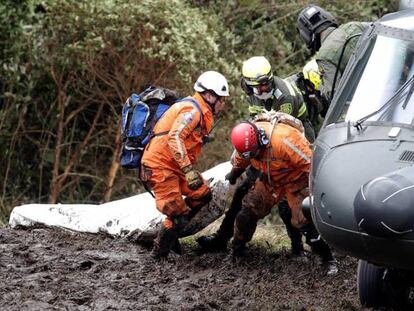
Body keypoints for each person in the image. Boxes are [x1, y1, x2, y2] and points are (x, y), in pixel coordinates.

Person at [197, 56, 314, 257]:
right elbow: (255, 120)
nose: (261, 91)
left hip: (290, 142)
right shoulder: (250, 91)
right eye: (256, 87)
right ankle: (223, 237)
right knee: (242, 192)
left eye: (265, 86)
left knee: (288, 202)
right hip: (264, 139)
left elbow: (284, 134)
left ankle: (298, 248)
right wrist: (238, 161)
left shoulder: (284, 98)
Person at [227, 117, 337, 275]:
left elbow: (313, 165)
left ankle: (327, 259)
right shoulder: (245, 148)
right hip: (270, 180)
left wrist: (322, 189)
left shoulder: (285, 140)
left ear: (260, 140)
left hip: (295, 181)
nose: (254, 156)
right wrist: (234, 174)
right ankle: (237, 251)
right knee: (247, 212)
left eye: (255, 152)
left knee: (302, 220)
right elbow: (241, 161)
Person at [140, 71, 230, 259]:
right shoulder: (192, 111)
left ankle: (171, 234)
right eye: (221, 99)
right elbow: (175, 137)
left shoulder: (200, 111)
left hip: (175, 166)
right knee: (178, 214)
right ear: (210, 95)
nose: (223, 103)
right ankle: (158, 255)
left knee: (202, 194)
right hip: (160, 167)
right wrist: (188, 170)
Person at [297, 4, 368, 116]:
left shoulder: (324, 56)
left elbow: (335, 98)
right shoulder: (354, 26)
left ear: (306, 34)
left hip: (367, 103)